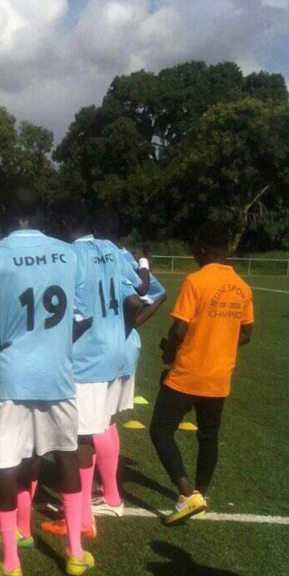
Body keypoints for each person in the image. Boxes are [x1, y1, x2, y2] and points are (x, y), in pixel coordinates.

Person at [0, 184, 93, 576]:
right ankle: (76, 552)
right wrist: (56, 345)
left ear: (7, 213)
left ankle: (11, 563)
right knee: (66, 456)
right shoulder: (68, 253)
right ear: (38, 214)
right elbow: (84, 317)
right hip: (57, 376)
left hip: (10, 376)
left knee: (6, 466)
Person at [40, 197, 140, 547]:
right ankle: (103, 500)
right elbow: (141, 292)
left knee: (78, 438)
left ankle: (81, 520)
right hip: (114, 354)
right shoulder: (114, 251)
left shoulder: (72, 256)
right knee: (99, 427)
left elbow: (75, 314)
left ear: (65, 226)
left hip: (86, 358)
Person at [150, 222, 253, 524]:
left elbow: (179, 327)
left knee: (160, 429)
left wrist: (169, 351)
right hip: (219, 376)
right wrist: (218, 339)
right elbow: (246, 333)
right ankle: (201, 493)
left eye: (196, 247)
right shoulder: (242, 287)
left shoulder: (196, 281)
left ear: (205, 248)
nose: (194, 252)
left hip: (188, 373)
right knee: (209, 437)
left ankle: (186, 493)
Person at [91, 209, 166, 517]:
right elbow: (158, 295)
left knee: (94, 420)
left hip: (99, 347)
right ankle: (108, 489)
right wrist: (131, 326)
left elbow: (143, 298)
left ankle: (108, 495)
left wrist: (127, 323)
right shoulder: (125, 258)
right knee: (105, 419)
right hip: (124, 346)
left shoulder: (93, 255)